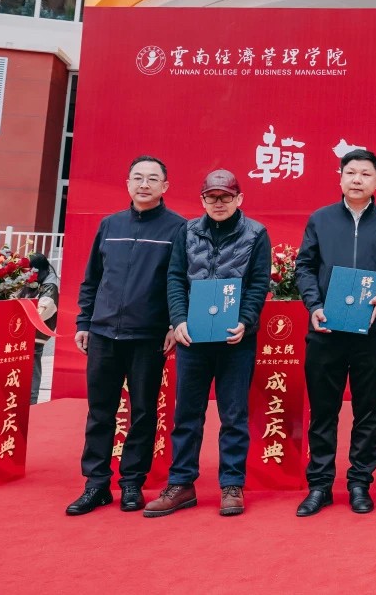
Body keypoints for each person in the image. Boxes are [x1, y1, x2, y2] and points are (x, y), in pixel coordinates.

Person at [144, 169, 271, 518]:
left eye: (225, 197)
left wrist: (245, 321)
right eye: (212, 197)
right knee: (187, 414)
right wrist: (179, 320)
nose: (218, 203)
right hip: (193, 338)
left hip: (236, 340)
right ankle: (181, 483)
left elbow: (258, 283)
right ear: (202, 200)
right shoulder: (187, 231)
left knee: (234, 415)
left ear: (239, 199)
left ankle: (232, 484)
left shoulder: (256, 233)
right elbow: (175, 278)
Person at [67, 155, 185, 516]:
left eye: (152, 179)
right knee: (100, 411)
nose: (144, 184)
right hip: (103, 333)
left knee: (143, 412)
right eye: (137, 177)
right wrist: (84, 322)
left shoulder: (178, 229)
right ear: (128, 183)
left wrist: (173, 324)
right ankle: (96, 484)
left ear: (165, 186)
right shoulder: (110, 225)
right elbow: (92, 278)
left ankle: (132, 482)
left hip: (148, 336)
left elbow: (180, 282)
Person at [294, 149, 376, 517]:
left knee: (368, 410)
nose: (357, 179)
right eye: (351, 172)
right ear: (340, 177)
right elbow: (305, 266)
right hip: (325, 329)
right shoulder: (321, 219)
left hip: (371, 330)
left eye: (365, 174)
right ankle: (320, 485)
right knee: (323, 410)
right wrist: (314, 305)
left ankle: (360, 483)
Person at [17, 253, 59, 404]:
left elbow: (43, 310)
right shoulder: (35, 281)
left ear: (39, 270)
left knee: (32, 365)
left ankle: (31, 401)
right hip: (21, 332)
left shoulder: (50, 286)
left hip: (35, 334)